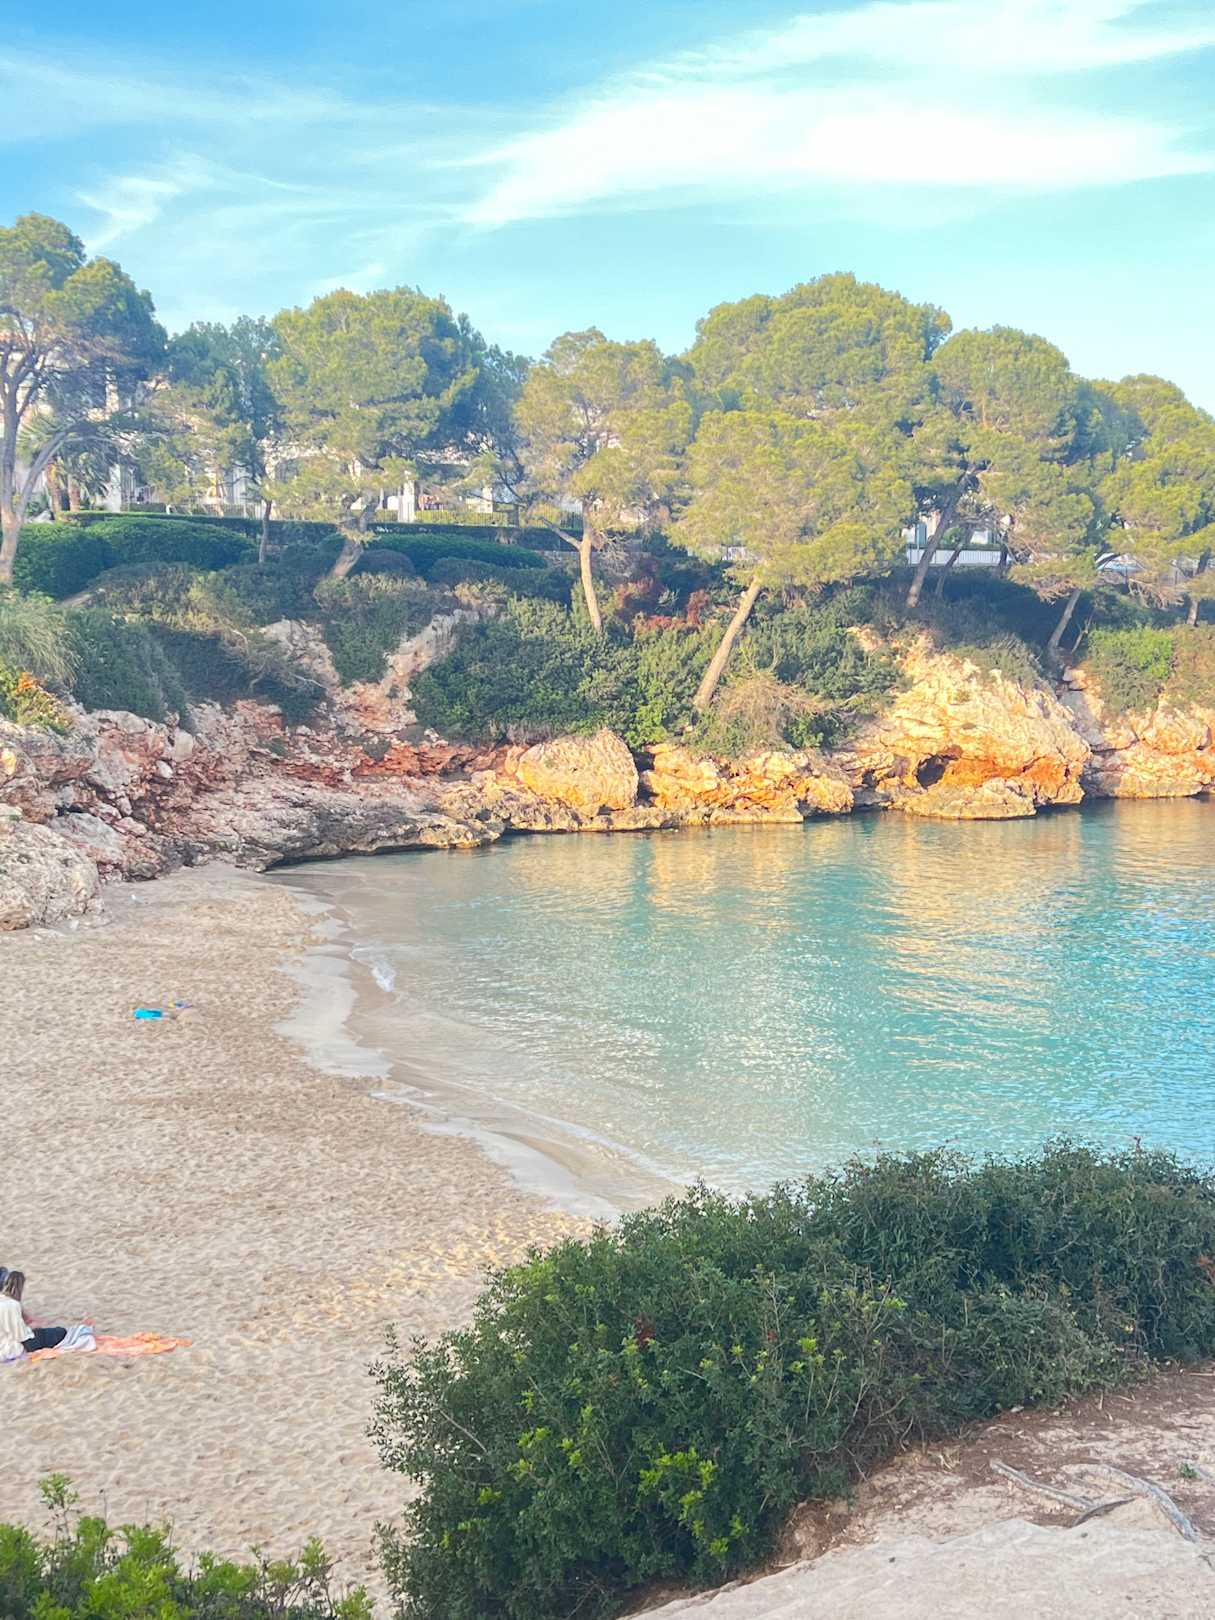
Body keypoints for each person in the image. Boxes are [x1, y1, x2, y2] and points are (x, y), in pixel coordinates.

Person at [0, 1270, 66, 1356]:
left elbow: (25, 1319)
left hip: (8, 1342)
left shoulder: (9, 1302)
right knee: (59, 1332)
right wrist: (34, 1326)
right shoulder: (12, 1304)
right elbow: (21, 1335)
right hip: (16, 1346)